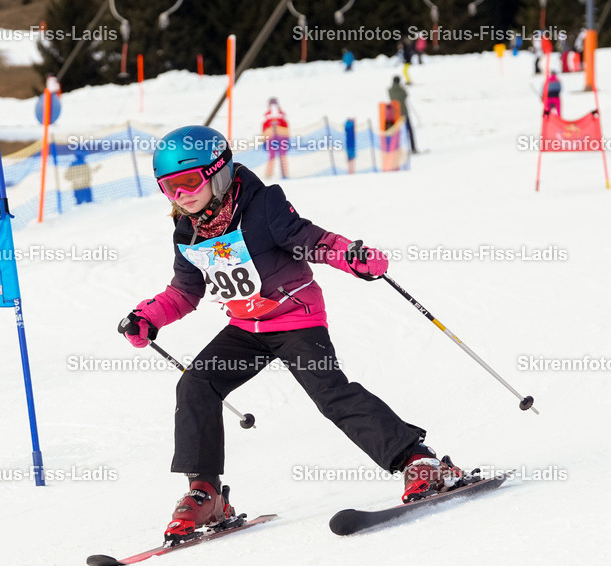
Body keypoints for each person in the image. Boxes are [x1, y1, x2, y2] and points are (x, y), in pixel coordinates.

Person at [122, 125, 472, 542]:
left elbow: (312, 241)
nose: (180, 197)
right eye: (169, 189)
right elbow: (185, 290)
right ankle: (206, 492)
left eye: (188, 183)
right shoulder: (187, 231)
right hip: (246, 327)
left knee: (331, 394)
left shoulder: (263, 205)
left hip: (296, 318)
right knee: (196, 383)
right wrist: (149, 317)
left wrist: (352, 257)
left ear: (217, 172)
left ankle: (420, 461)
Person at [388, 75, 417, 153]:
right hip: (404, 112)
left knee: (399, 132)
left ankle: (400, 149)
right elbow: (406, 95)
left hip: (395, 113)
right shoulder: (401, 89)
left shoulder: (390, 90)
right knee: (409, 131)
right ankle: (413, 148)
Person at [261, 97, 289, 178]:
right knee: (272, 156)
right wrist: (264, 140)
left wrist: (286, 138)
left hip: (282, 139)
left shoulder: (281, 115)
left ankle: (285, 174)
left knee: (282, 156)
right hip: (271, 140)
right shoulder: (268, 116)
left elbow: (285, 126)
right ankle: (269, 174)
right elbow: (264, 128)